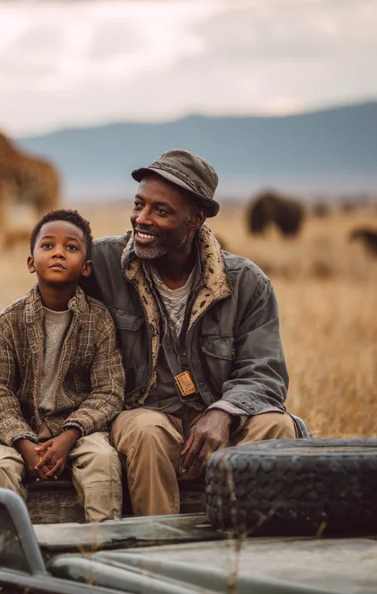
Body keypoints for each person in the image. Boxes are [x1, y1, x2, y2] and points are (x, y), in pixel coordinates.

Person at [83, 149, 297, 517]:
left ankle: (245, 550)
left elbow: (265, 372)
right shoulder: (102, 263)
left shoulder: (246, 283)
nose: (142, 219)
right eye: (139, 205)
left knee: (277, 424)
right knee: (146, 430)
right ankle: (160, 555)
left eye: (160, 211)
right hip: (144, 414)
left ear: (195, 218)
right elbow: (42, 306)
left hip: (220, 420)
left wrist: (224, 412)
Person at [0, 209, 125, 522]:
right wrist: (24, 442)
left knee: (103, 462)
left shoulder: (98, 321)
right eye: (48, 246)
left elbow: (108, 391)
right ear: (31, 262)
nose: (58, 252)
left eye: (71, 247)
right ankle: (9, 558)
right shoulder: (7, 322)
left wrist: (71, 434)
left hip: (79, 431)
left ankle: (101, 553)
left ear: (86, 268)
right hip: (18, 431)